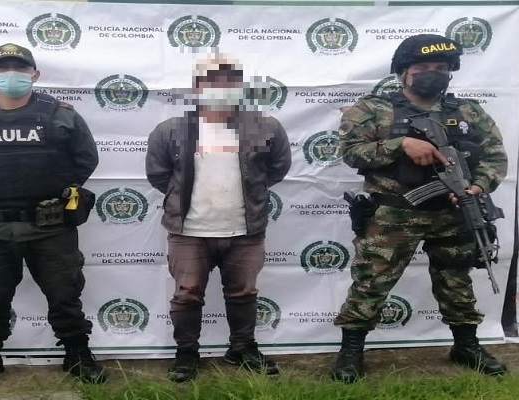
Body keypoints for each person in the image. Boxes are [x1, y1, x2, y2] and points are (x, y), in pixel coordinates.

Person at [332, 34, 509, 383]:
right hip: (393, 215)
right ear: (404, 72)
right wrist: (401, 144)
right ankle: (351, 351)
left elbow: (494, 158)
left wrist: (476, 187)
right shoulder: (372, 110)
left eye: (441, 68)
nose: (433, 73)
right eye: (423, 67)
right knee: (371, 283)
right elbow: (351, 152)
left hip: (453, 212)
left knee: (456, 281)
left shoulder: (468, 111)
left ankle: (467, 345)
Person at [0, 43, 106, 389]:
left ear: (35, 74)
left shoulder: (61, 114)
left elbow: (86, 159)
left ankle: (78, 355)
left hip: (50, 225)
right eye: (1, 68)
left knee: (65, 295)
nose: (11, 74)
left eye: (20, 68)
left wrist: (53, 190)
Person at [146, 54, 291, 382]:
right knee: (187, 294)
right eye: (212, 80)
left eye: (229, 80)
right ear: (197, 87)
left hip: (245, 231)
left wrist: (250, 195)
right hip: (189, 231)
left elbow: (277, 168)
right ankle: (186, 353)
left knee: (244, 293)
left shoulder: (266, 127)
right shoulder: (170, 130)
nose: (221, 87)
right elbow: (159, 175)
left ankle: (242, 348)